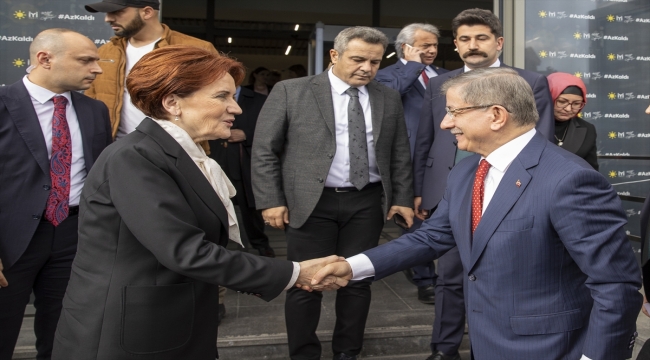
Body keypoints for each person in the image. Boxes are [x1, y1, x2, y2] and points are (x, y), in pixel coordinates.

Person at [311, 67, 642, 360]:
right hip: (486, 341)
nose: (445, 123)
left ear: (496, 115)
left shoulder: (570, 179)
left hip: (550, 348)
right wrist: (352, 266)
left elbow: (616, 285)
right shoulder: (466, 172)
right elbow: (434, 235)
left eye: (454, 111)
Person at [50, 45, 341, 360]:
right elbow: (186, 251)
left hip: (171, 324)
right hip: (129, 334)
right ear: (173, 102)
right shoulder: (134, 157)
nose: (236, 108)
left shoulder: (187, 156)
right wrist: (294, 272)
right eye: (222, 97)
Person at [252, 26, 414, 360]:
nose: (367, 68)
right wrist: (271, 200)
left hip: (366, 202)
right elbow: (265, 150)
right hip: (312, 203)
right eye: (358, 59)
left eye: (374, 62)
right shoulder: (291, 91)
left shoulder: (387, 97)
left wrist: (401, 197)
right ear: (334, 55)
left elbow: (399, 152)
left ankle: (347, 353)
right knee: (305, 283)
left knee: (358, 281)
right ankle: (303, 354)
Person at [412, 9, 555, 360]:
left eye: (481, 38)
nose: (472, 46)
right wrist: (418, 189)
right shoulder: (438, 84)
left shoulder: (529, 82)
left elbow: (541, 140)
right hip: (447, 193)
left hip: (505, 195)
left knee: (497, 279)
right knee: (448, 277)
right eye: (464, 39)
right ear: (456, 45)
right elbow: (426, 139)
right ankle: (444, 350)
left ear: (499, 42)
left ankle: (488, 349)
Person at [0, 28, 112, 360]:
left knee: (66, 336)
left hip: (73, 238)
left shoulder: (95, 111)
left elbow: (98, 178)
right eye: (86, 60)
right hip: (10, 243)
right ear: (44, 59)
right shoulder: (3, 105)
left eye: (97, 60)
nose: (97, 69)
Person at [375, 22, 448, 305]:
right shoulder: (385, 76)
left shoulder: (445, 76)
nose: (431, 50)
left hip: (442, 157)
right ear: (405, 47)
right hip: (408, 160)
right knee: (415, 220)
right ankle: (425, 279)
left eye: (434, 45)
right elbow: (393, 97)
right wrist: (413, 65)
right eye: (424, 46)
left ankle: (444, 273)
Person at [84, 0, 218, 140]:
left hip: (176, 148)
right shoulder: (105, 53)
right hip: (116, 148)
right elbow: (90, 101)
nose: (108, 18)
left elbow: (218, 98)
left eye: (117, 12)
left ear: (147, 12)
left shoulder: (196, 49)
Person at [208, 86, 275, 258]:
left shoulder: (259, 99)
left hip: (245, 161)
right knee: (213, 204)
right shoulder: (205, 94)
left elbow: (274, 129)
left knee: (250, 208)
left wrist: (247, 134)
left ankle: (260, 244)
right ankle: (214, 249)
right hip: (216, 158)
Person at [547, 72, 598, 170]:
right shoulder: (528, 125)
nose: (568, 109)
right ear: (549, 98)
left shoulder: (588, 129)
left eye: (576, 103)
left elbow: (591, 172)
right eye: (562, 102)